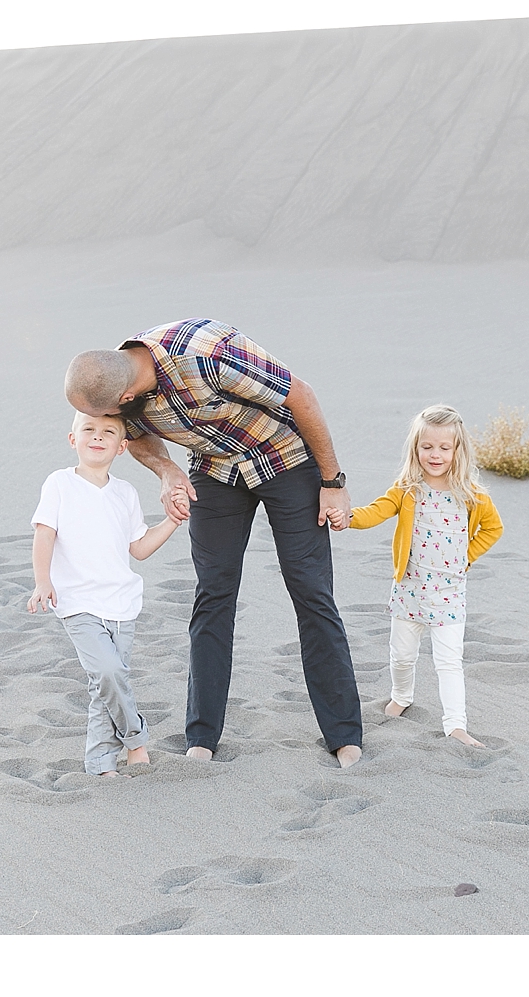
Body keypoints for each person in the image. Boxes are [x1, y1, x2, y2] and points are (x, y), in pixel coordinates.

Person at [63, 319, 365, 768]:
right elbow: (140, 438)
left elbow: (301, 395)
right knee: (213, 594)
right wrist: (167, 471)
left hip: (286, 459)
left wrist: (332, 481)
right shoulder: (110, 379)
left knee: (310, 589)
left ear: (125, 397)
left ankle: (343, 734)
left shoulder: (207, 353)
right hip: (218, 471)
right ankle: (202, 736)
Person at [26, 411, 182, 777]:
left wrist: (172, 521)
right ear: (72, 439)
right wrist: (42, 580)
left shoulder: (124, 493)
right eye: (89, 430)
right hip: (77, 603)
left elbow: (139, 548)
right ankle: (136, 740)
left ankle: (99, 762)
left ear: (122, 446)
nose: (97, 437)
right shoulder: (59, 484)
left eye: (108, 432)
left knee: (105, 685)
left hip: (122, 604)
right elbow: (44, 533)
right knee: (109, 672)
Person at [342, 405, 504, 748]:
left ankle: (456, 725)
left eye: (445, 448)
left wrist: (466, 558)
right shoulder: (407, 489)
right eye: (427, 446)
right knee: (402, 654)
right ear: (416, 447)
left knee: (449, 662)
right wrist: (347, 517)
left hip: (448, 594)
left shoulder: (473, 495)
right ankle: (401, 696)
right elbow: (376, 511)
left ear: (458, 450)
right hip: (410, 591)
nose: (436, 454)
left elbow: (493, 529)